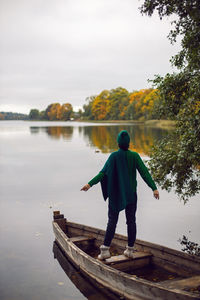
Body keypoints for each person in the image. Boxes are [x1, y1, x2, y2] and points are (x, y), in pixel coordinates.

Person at [81, 130, 159, 260]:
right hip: (131, 195)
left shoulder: (114, 156)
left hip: (116, 195)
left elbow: (103, 173)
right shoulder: (135, 156)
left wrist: (89, 184)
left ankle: (105, 250)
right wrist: (154, 188)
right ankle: (129, 250)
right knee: (131, 221)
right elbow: (144, 173)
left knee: (112, 221)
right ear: (129, 143)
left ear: (118, 143)